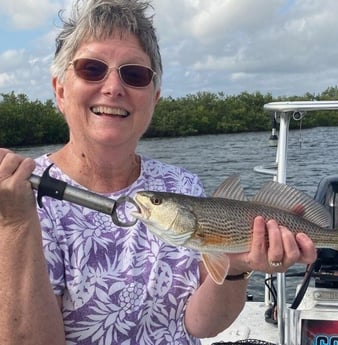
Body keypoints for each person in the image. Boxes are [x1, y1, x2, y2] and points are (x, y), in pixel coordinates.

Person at [0, 0, 317, 344]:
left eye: (134, 75)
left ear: (155, 98)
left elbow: (200, 325)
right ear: (59, 89)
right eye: (91, 69)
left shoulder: (182, 184)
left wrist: (237, 268)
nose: (113, 87)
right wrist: (15, 225)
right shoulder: (17, 196)